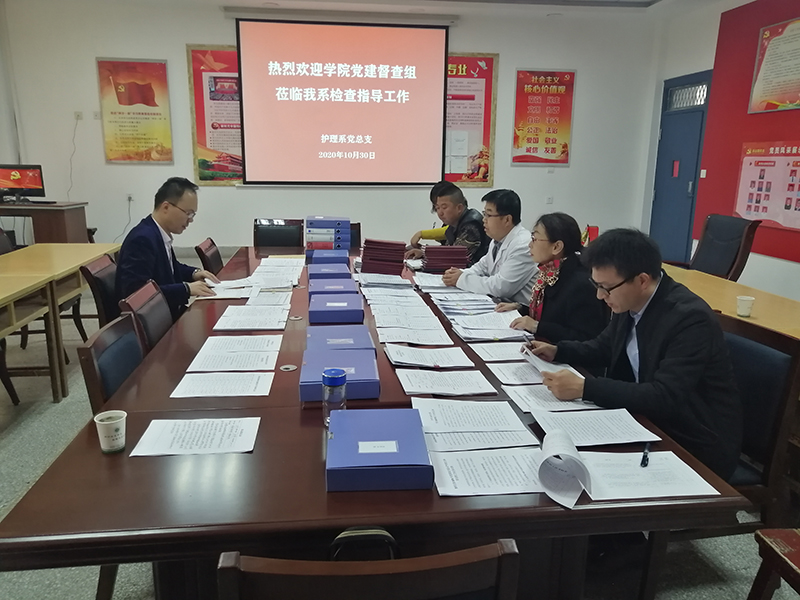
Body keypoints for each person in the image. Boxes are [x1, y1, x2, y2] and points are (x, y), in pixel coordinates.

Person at [527, 228, 742, 480]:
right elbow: (604, 347)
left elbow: (664, 395)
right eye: (596, 285)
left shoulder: (690, 318)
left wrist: (585, 388)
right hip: (645, 420)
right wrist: (559, 350)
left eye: (606, 288)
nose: (600, 296)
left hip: (692, 439)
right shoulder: (629, 302)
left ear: (642, 280)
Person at [116, 177, 219, 321]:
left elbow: (168, 267)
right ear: (166, 207)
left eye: (193, 214)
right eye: (188, 213)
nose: (191, 220)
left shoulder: (156, 232)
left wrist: (194, 273)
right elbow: (137, 293)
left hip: (165, 314)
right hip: (154, 323)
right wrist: (186, 289)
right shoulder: (142, 239)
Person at [495, 212, 609, 343]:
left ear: (556, 247)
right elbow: (551, 315)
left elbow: (585, 337)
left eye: (535, 239)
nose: (530, 245)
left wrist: (537, 326)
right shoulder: (551, 272)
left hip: (563, 354)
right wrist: (520, 308)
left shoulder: (580, 283)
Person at [442, 189, 537, 305]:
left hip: (520, 310)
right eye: (484, 214)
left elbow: (500, 287)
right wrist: (459, 274)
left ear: (507, 220)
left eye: (489, 215)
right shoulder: (498, 240)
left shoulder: (523, 245)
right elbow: (482, 267)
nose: (484, 220)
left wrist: (461, 279)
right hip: (501, 304)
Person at [405, 182, 489, 266]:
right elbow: (447, 250)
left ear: (459, 208)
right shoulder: (453, 223)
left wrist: (424, 251)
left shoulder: (471, 226)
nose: (440, 213)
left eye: (444, 207)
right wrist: (423, 252)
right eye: (437, 208)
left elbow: (454, 257)